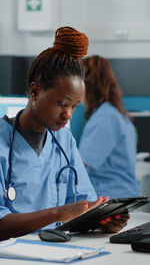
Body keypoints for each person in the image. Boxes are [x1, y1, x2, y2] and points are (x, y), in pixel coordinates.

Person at [0, 28, 129, 241]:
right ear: (35, 91)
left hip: (60, 250)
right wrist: (57, 213)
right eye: (62, 103)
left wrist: (103, 220)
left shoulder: (64, 139)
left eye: (75, 106)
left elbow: (84, 204)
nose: (67, 114)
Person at [79, 55, 141, 199]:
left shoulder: (104, 117)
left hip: (109, 197)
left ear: (86, 84)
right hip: (122, 194)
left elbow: (81, 166)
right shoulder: (117, 114)